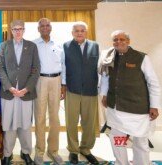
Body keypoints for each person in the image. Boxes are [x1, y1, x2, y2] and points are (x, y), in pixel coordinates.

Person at [99, 30, 160, 165]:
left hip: (138, 109)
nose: (118, 42)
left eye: (122, 39)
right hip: (115, 108)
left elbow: (153, 83)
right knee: (118, 140)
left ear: (128, 41)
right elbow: (105, 77)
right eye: (115, 39)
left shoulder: (141, 57)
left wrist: (154, 106)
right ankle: (121, 163)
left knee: (140, 142)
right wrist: (104, 95)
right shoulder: (109, 58)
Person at [0, 20, 40, 165]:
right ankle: (7, 154)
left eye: (20, 29)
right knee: (8, 124)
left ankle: (26, 152)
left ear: (24, 30)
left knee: (25, 125)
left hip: (25, 93)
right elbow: (1, 69)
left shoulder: (32, 46)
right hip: (9, 93)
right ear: (11, 30)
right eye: (15, 29)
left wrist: (26, 88)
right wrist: (9, 87)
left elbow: (36, 70)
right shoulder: (4, 46)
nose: (17, 31)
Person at [62, 21, 99, 165]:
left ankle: (86, 149)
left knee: (89, 122)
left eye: (82, 30)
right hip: (72, 89)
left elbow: (99, 68)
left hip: (90, 90)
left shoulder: (95, 46)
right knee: (71, 121)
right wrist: (63, 86)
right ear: (72, 33)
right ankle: (73, 150)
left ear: (86, 32)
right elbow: (63, 67)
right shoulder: (66, 46)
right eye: (76, 30)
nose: (79, 33)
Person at [32, 18, 65, 165]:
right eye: (42, 26)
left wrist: (63, 84)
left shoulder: (59, 44)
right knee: (39, 117)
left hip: (56, 81)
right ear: (38, 29)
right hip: (40, 81)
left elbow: (63, 65)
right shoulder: (33, 45)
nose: (45, 28)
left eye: (47, 25)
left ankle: (53, 151)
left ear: (51, 28)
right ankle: (39, 151)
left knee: (55, 118)